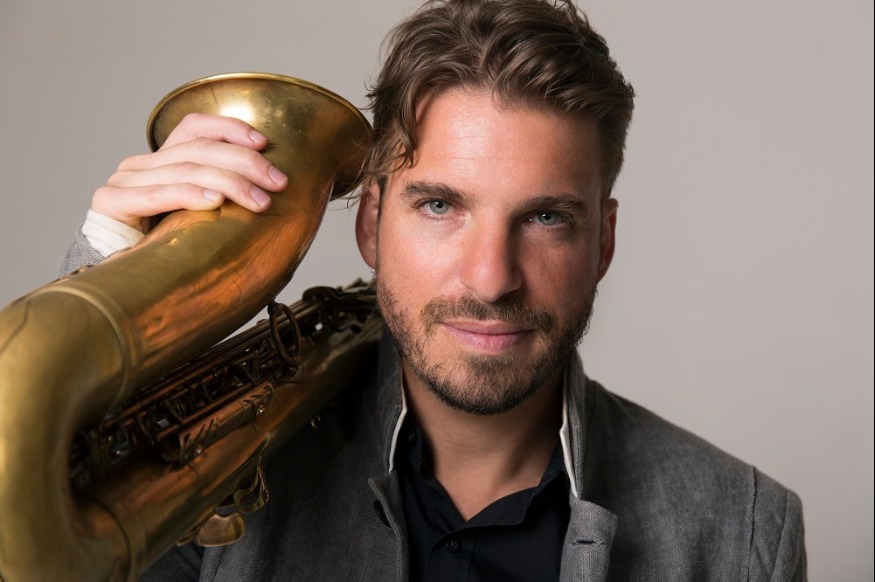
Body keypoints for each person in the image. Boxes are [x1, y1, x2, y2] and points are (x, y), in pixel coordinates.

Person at [59, 0, 807, 580]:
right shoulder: (205, 475)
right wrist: (102, 273)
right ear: (371, 221)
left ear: (602, 242)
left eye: (545, 217)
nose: (490, 279)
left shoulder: (743, 535)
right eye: (441, 206)